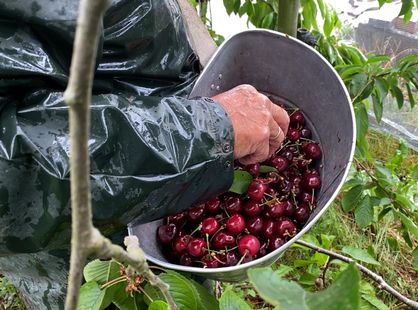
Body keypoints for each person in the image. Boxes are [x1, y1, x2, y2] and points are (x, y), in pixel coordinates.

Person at [0, 0, 289, 308]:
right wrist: (210, 129)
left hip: (187, 182)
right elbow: (15, 169)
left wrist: (207, 66)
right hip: (84, 252)